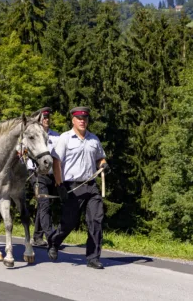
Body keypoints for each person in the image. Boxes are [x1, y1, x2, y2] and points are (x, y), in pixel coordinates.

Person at [47, 106, 110, 269]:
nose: (82, 121)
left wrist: (104, 165)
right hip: (72, 187)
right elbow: (56, 162)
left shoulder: (94, 140)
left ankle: (93, 257)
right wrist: (59, 185)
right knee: (69, 222)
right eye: (79, 118)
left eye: (85, 118)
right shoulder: (65, 138)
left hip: (91, 186)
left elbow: (100, 158)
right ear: (73, 120)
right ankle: (53, 242)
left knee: (96, 220)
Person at [28, 107, 60, 247]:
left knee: (44, 206)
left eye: (47, 117)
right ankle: (51, 236)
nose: (46, 120)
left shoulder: (57, 136)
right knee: (44, 204)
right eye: (43, 118)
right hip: (36, 174)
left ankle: (37, 237)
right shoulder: (32, 135)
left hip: (51, 175)